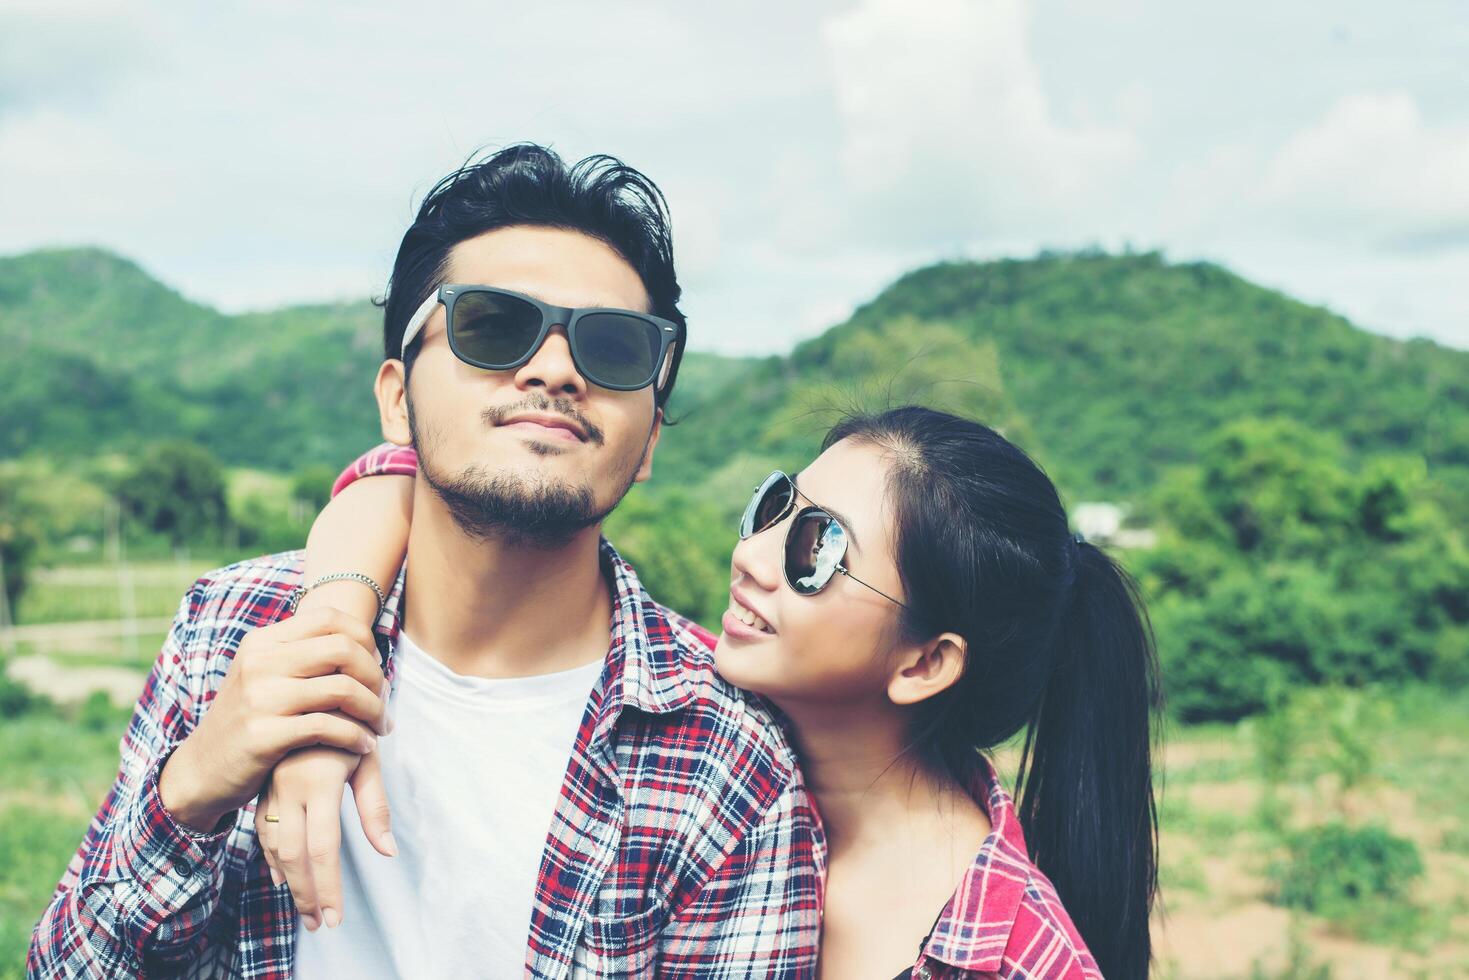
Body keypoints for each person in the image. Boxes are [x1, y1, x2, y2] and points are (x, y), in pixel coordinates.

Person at [28, 144, 823, 979]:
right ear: (395, 399)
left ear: (651, 436)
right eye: (491, 325)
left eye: (617, 348)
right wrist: (188, 794)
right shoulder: (233, 631)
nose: (554, 368)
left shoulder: (729, 754)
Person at [277, 405, 1161, 979]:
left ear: (924, 663)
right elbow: (402, 475)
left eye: (815, 550)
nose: (752, 556)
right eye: (774, 508)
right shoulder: (686, 696)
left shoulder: (1012, 954)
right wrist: (331, 653)